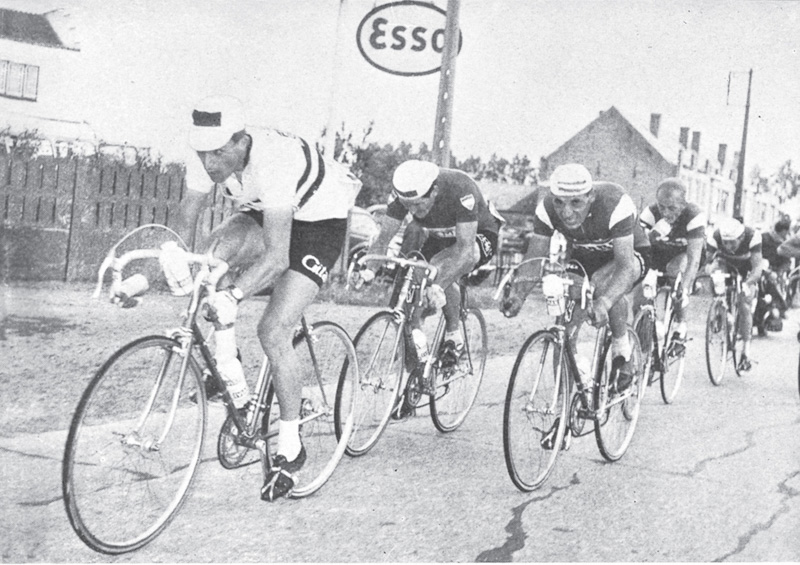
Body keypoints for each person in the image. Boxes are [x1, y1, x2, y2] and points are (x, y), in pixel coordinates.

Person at [169, 95, 362, 501]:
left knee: (273, 329)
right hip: (264, 209)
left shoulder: (273, 159)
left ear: (242, 141)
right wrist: (176, 258)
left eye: (219, 154)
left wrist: (236, 294)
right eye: (204, 154)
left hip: (319, 221)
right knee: (209, 263)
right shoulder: (208, 152)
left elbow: (277, 257)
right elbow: (188, 213)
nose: (210, 164)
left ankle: (291, 446)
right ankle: (228, 373)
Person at [357, 159, 503, 418]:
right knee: (409, 303)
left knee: (439, 269)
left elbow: (465, 252)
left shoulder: (460, 188)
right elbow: (383, 239)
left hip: (477, 236)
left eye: (418, 203)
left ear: (434, 190)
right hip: (438, 236)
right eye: (407, 205)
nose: (413, 209)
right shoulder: (403, 195)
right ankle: (418, 376)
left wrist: (438, 283)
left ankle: (454, 334)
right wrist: (369, 269)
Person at [502, 163, 651, 396]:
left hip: (629, 254)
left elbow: (624, 268)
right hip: (585, 254)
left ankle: (622, 348)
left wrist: (603, 303)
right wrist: (518, 295)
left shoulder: (615, 204)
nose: (566, 212)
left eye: (575, 202)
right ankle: (564, 404)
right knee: (567, 313)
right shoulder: (546, 210)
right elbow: (535, 258)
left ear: (591, 196)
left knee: (602, 286)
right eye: (559, 202)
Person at [638, 177, 706, 348]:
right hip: (660, 252)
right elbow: (637, 245)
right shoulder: (651, 213)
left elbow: (694, 258)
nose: (666, 213)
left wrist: (686, 285)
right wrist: (650, 236)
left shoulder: (693, 216)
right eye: (662, 207)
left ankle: (680, 326)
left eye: (672, 208)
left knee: (675, 273)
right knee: (643, 285)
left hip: (684, 254)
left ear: (683, 205)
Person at [706, 217, 763, 371]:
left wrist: (747, 284)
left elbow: (758, 268)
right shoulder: (715, 236)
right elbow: (707, 262)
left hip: (747, 268)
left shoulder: (752, 236)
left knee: (744, 303)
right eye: (725, 242)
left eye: (733, 242)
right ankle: (721, 309)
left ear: (741, 238)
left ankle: (746, 352)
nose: (729, 246)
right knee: (716, 276)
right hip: (725, 264)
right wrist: (709, 269)